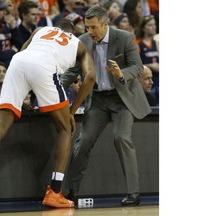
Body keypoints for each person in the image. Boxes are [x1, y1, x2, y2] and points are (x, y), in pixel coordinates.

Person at [0, 18, 96, 208]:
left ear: (55, 28)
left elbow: (24, 56)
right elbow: (90, 77)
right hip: (45, 66)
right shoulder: (78, 43)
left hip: (17, 62)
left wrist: (22, 96)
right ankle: (55, 192)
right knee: (65, 129)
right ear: (71, 32)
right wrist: (71, 112)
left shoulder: (40, 31)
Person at [60, 6, 151, 206]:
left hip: (122, 98)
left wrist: (121, 74)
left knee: (121, 138)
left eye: (93, 27)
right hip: (98, 100)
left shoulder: (124, 37)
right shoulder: (83, 41)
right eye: (87, 27)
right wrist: (53, 84)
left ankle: (133, 194)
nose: (89, 31)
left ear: (104, 24)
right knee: (83, 142)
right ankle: (70, 193)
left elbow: (137, 66)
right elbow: (74, 71)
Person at [0, 0, 23, 68]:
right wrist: (13, 52)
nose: (5, 13)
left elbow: (21, 46)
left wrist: (13, 28)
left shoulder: (6, 26)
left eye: (5, 10)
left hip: (11, 66)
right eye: (1, 10)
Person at [137, 15, 159, 89]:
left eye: (154, 24)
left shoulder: (157, 43)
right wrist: (150, 66)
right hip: (146, 82)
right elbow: (135, 65)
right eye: (150, 25)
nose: (153, 27)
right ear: (143, 28)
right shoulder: (138, 44)